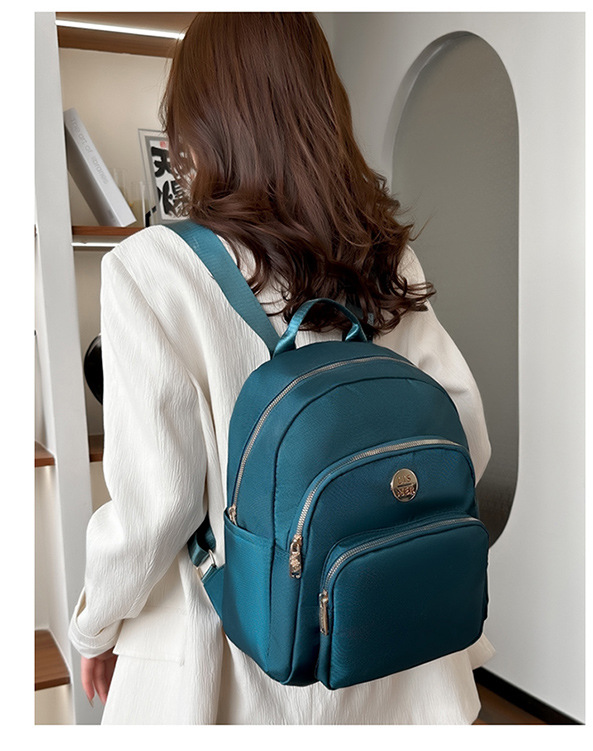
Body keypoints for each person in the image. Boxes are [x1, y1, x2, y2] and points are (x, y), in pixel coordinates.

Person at [68, 12, 494, 724]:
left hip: (231, 668)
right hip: (393, 652)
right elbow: (466, 439)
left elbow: (157, 505)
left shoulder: (149, 269)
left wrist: (95, 624)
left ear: (198, 122)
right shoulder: (381, 254)